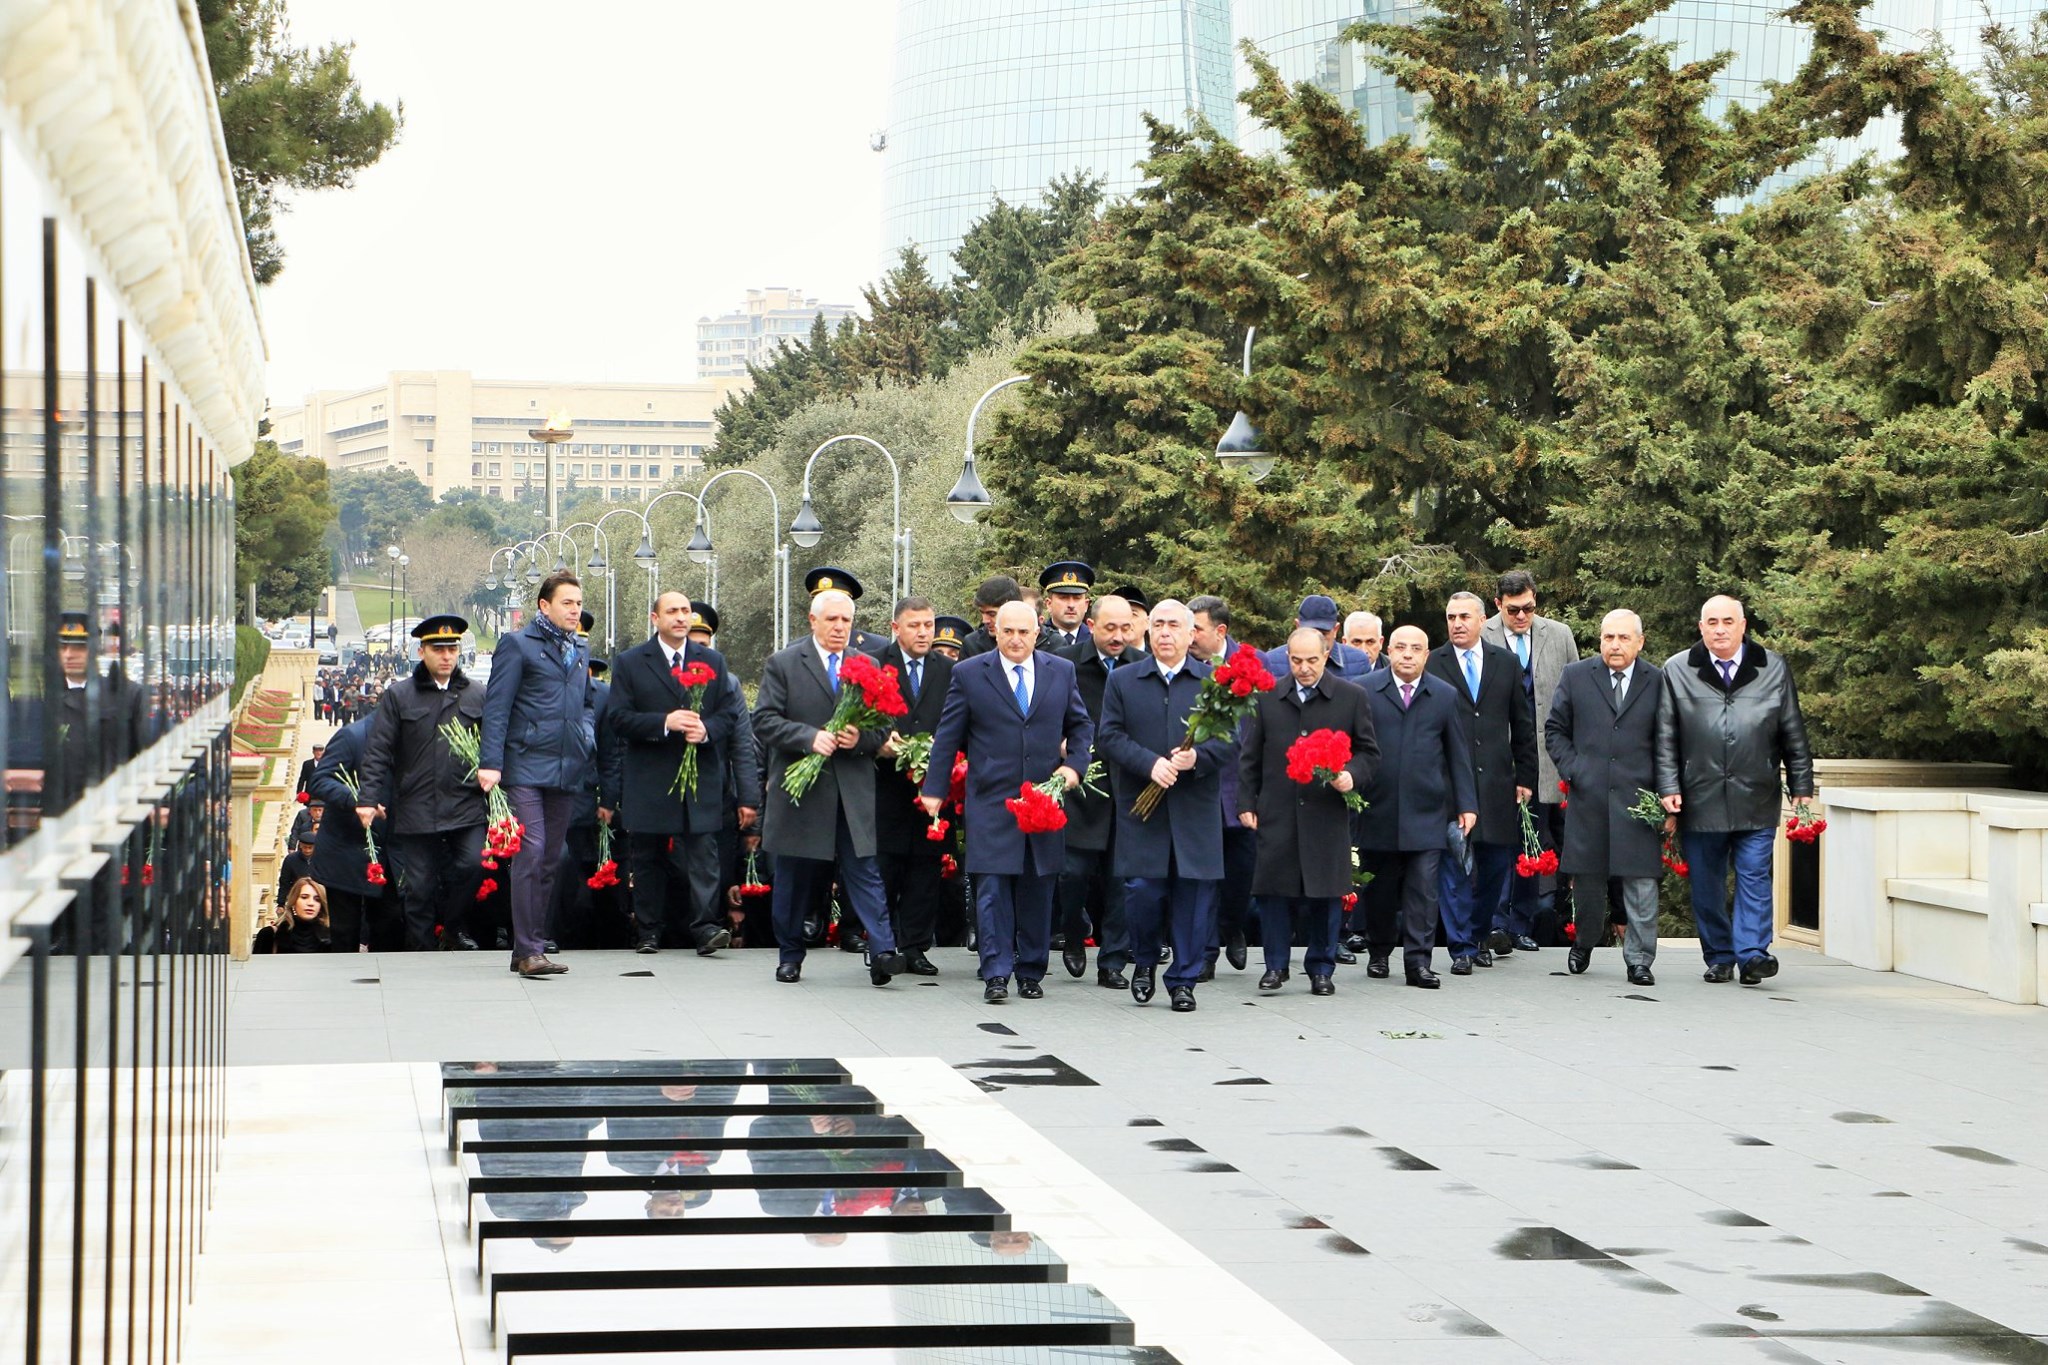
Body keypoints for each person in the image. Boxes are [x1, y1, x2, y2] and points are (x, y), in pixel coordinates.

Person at [919, 601, 1092, 1003]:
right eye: (1008, 631)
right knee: (992, 890)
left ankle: (1031, 971)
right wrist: (935, 788)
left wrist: (1075, 766)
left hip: (1043, 800)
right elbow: (948, 735)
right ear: (995, 631)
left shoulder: (1060, 671)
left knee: (1038, 888)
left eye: (1023, 632)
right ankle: (996, 972)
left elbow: (1081, 725)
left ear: (1037, 633)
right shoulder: (969, 673)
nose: (1015, 639)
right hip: (991, 801)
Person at [1656, 595, 1815, 985]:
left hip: (1756, 793)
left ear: (1743, 626)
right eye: (1712, 622)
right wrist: (1669, 786)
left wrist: (1801, 782)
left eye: (1728, 621)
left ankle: (1753, 954)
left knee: (1755, 875)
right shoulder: (1677, 669)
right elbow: (1665, 735)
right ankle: (1720, 956)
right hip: (1700, 795)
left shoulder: (1772, 667)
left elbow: (1792, 728)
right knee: (1706, 884)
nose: (1720, 630)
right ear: (1701, 627)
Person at [753, 587, 904, 986]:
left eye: (846, 620)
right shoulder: (784, 663)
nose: (840, 627)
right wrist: (808, 737)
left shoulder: (867, 663)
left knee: (865, 871)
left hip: (852, 790)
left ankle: (883, 951)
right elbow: (764, 720)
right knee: (795, 876)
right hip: (802, 793)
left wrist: (861, 739)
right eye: (832, 619)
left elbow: (884, 724)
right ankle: (790, 955)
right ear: (813, 620)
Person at [604, 591, 760, 955]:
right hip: (650, 776)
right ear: (654, 618)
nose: (680, 617)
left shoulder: (712, 660)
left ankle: (706, 927)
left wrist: (706, 730)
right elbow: (618, 718)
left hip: (700, 776)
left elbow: (729, 715)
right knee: (648, 856)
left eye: (685, 611)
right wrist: (664, 722)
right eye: (672, 611)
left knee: (704, 854)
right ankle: (649, 930)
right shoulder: (630, 662)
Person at [1098, 600, 1234, 1012]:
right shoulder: (1124, 679)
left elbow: (1231, 741)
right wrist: (1149, 763)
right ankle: (1144, 960)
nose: (1164, 632)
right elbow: (1109, 736)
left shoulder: (1213, 683)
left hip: (1194, 808)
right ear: (1147, 631)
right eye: (1157, 624)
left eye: (1174, 625)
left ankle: (1183, 980)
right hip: (1143, 809)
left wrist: (1198, 758)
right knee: (1143, 892)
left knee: (1194, 896)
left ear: (1192, 634)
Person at [1238, 627, 1379, 996]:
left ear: (1326, 655)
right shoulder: (1268, 697)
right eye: (1297, 660)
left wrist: (1351, 775)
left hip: (1326, 811)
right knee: (1273, 892)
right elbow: (1249, 757)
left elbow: (1369, 752)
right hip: (1277, 809)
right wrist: (1246, 803)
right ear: (1287, 657)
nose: (1304, 668)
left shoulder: (1351, 696)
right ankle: (1275, 966)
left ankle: (1321, 968)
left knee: (1325, 893)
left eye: (1312, 660)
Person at [480, 574, 597, 978]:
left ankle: (526, 947)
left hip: (566, 766)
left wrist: (585, 735)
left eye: (578, 602)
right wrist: (491, 762)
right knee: (531, 852)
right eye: (567, 602)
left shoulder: (579, 647)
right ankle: (531, 949)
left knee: (550, 858)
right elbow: (497, 706)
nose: (575, 610)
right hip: (524, 764)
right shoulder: (517, 645)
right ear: (544, 605)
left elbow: (586, 702)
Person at [1548, 610, 1665, 985]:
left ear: (1640, 642)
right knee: (1588, 885)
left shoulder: (1657, 681)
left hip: (1639, 800)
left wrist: (1666, 792)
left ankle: (1640, 959)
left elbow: (1668, 740)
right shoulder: (1576, 676)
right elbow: (1555, 729)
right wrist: (1575, 769)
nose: (1615, 645)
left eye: (1623, 638)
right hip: (1589, 797)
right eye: (1608, 637)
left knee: (1642, 883)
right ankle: (1584, 942)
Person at [358, 615, 488, 952]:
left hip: (465, 802)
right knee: (419, 887)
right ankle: (421, 952)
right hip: (417, 805)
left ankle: (453, 927)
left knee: (473, 864)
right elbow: (378, 750)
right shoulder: (400, 696)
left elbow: (494, 746)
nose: (446, 656)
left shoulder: (477, 694)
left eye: (452, 649)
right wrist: (368, 798)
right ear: (421, 651)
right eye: (438, 649)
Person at [1357, 626, 1477, 988]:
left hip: (1426, 810)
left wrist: (1467, 804)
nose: (1407, 654)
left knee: (1424, 890)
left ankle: (1418, 963)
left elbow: (1458, 753)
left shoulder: (1443, 694)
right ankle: (1379, 952)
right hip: (1377, 808)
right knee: (1379, 890)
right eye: (1401, 647)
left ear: (1427, 655)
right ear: (1389, 651)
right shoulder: (1364, 690)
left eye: (1416, 649)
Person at [1427, 591, 1536, 974]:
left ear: (1481, 620)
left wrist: (1526, 777)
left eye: (1464, 617)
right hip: (1448, 782)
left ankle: (1476, 935)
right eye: (1451, 617)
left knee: (1495, 866)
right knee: (1454, 865)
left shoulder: (1505, 662)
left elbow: (1522, 723)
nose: (1457, 623)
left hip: (1496, 783)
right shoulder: (1433, 663)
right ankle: (1460, 947)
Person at [1483, 569, 1580, 952]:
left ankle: (1520, 925)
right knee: (1494, 845)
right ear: (1498, 605)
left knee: (1531, 843)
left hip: (1544, 760)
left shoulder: (1559, 635)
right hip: (1494, 760)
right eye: (1513, 610)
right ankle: (1493, 923)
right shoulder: (1482, 634)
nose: (1522, 616)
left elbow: (1575, 696)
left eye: (1528, 608)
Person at [1055, 595, 1142, 987]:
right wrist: (1059, 744)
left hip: (1128, 785)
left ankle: (1112, 961)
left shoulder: (1141, 665)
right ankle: (1074, 932)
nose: (1119, 636)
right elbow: (1048, 713)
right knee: (1073, 873)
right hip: (1081, 785)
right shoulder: (1066, 664)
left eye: (1126, 628)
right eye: (1110, 628)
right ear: (1092, 626)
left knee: (1121, 879)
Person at [873, 596, 953, 976]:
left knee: (925, 870)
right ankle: (882, 945)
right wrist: (879, 742)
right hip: (886, 785)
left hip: (933, 788)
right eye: (914, 625)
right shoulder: (876, 665)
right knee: (885, 869)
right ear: (896, 628)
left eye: (928, 625)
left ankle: (916, 947)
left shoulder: (948, 670)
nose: (923, 633)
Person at [1189, 594, 1255, 976]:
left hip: (1241, 787)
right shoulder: (1185, 667)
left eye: (1196, 629)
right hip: (1199, 784)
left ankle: (1233, 925)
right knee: (1204, 876)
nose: (1190, 636)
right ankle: (1206, 952)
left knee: (1241, 872)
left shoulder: (1253, 665)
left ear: (1221, 631)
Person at [305, 716, 387, 952]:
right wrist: (359, 799)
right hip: (346, 853)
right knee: (345, 933)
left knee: (390, 927)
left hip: (393, 851)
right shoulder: (353, 736)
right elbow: (319, 781)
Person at [1261, 595, 1375, 684]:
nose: (1316, 639)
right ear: (1297, 626)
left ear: (1335, 630)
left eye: (1323, 634)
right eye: (1310, 631)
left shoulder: (1359, 662)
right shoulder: (1272, 662)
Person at [257, 877, 333, 954]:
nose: (311, 903)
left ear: (321, 906)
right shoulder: (270, 934)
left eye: (317, 899)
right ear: (293, 902)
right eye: (304, 897)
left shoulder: (331, 937)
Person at [958, 576, 1021, 659]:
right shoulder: (971, 646)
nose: (985, 620)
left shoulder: (1036, 644)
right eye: (982, 613)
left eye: (992, 614)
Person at [1037, 562, 1094, 651]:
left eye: (1077, 598)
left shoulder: (1096, 640)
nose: (1071, 605)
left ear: (1086, 604)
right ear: (1049, 604)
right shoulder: (1037, 639)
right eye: (1063, 598)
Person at [276, 830, 318, 908]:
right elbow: (284, 882)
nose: (307, 850)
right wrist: (281, 903)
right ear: (300, 845)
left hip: (318, 897)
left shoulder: (322, 859)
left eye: (310, 848)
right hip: (296, 897)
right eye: (305, 847)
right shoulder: (290, 859)